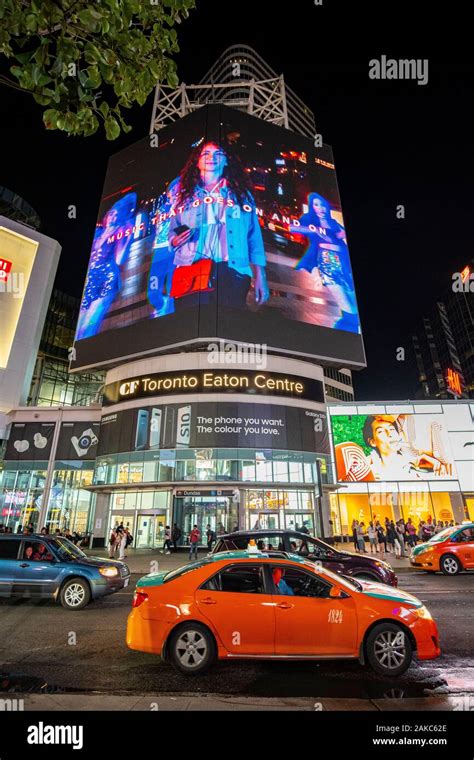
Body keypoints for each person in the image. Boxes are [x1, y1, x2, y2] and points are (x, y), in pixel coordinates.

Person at [168, 141, 269, 311]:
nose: (212, 158)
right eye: (205, 153)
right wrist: (175, 241)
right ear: (197, 162)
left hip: (233, 271)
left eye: (218, 153)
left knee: (230, 325)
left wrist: (261, 276)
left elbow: (254, 238)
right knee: (192, 326)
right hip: (191, 271)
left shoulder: (243, 196)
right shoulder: (184, 197)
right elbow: (172, 230)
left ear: (226, 161)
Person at [292, 192, 359, 332]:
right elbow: (293, 227)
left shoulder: (333, 222)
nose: (320, 207)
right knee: (349, 310)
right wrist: (316, 230)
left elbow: (343, 233)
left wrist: (339, 233)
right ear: (312, 207)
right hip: (327, 261)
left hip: (344, 260)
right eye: (316, 204)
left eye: (322, 204)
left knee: (354, 306)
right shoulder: (309, 219)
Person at [76, 192, 137, 339]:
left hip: (107, 279)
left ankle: (86, 353)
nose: (113, 217)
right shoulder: (97, 233)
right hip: (91, 280)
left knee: (91, 322)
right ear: (107, 215)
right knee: (79, 325)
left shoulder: (120, 232)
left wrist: (128, 238)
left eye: (117, 214)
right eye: (112, 213)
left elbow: (119, 259)